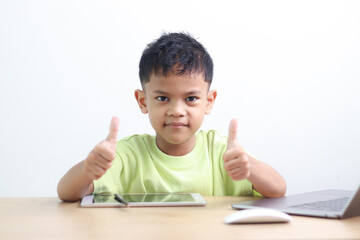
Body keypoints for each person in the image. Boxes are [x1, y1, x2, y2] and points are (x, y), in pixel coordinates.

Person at [57, 32, 286, 202]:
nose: (177, 110)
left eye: (191, 99)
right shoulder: (128, 155)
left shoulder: (222, 151)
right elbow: (66, 193)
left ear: (209, 101)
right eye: (163, 98)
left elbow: (279, 189)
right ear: (142, 101)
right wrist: (89, 169)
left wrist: (250, 168)